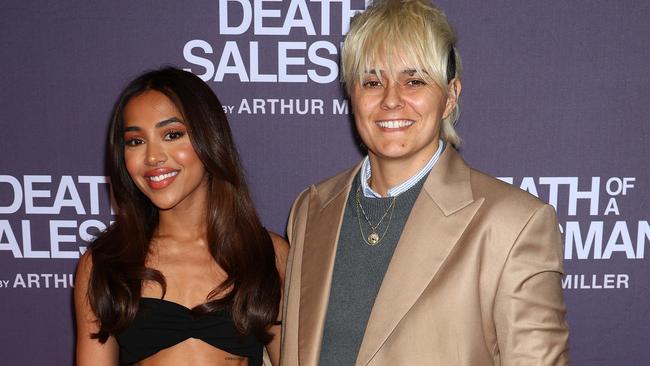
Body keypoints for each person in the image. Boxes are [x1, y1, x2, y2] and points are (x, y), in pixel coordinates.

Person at [280, 0, 569, 365]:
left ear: (450, 96)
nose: (390, 99)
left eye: (413, 80)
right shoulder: (311, 208)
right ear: (352, 96)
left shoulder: (514, 223)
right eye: (372, 81)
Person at [74, 67, 288, 366]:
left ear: (209, 139)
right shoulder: (105, 262)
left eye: (172, 135)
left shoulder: (269, 254)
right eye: (135, 141)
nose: (152, 157)